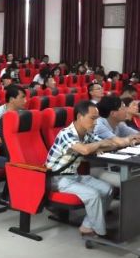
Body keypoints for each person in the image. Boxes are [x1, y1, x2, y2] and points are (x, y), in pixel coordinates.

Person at [46, 101, 128, 236]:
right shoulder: (66, 133)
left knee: (107, 189)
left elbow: (109, 145)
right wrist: (99, 144)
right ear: (80, 116)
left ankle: (87, 226)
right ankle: (100, 232)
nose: (95, 123)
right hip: (57, 179)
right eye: (93, 118)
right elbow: (84, 150)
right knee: (93, 194)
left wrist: (101, 144)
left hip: (73, 176)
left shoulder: (86, 133)